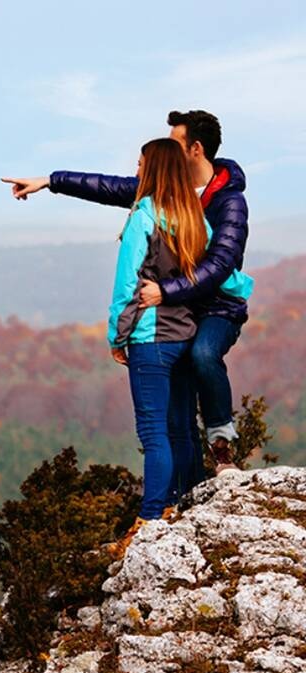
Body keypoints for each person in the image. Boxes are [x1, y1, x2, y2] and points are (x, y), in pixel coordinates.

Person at [3, 111, 249, 481]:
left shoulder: (229, 202)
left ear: (196, 149)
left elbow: (217, 268)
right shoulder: (166, 190)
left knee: (203, 354)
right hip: (178, 310)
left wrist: (165, 291)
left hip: (215, 307)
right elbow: (106, 187)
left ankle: (221, 443)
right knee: (175, 416)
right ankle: (187, 488)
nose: (166, 148)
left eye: (174, 143)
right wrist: (48, 181)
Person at [102, 138, 251, 555]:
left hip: (150, 338)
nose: (134, 169)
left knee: (154, 432)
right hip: (185, 333)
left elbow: (126, 284)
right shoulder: (192, 216)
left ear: (153, 170)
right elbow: (213, 271)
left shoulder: (143, 216)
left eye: (139, 163)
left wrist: (118, 335)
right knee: (183, 426)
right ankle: (187, 502)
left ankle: (152, 515)